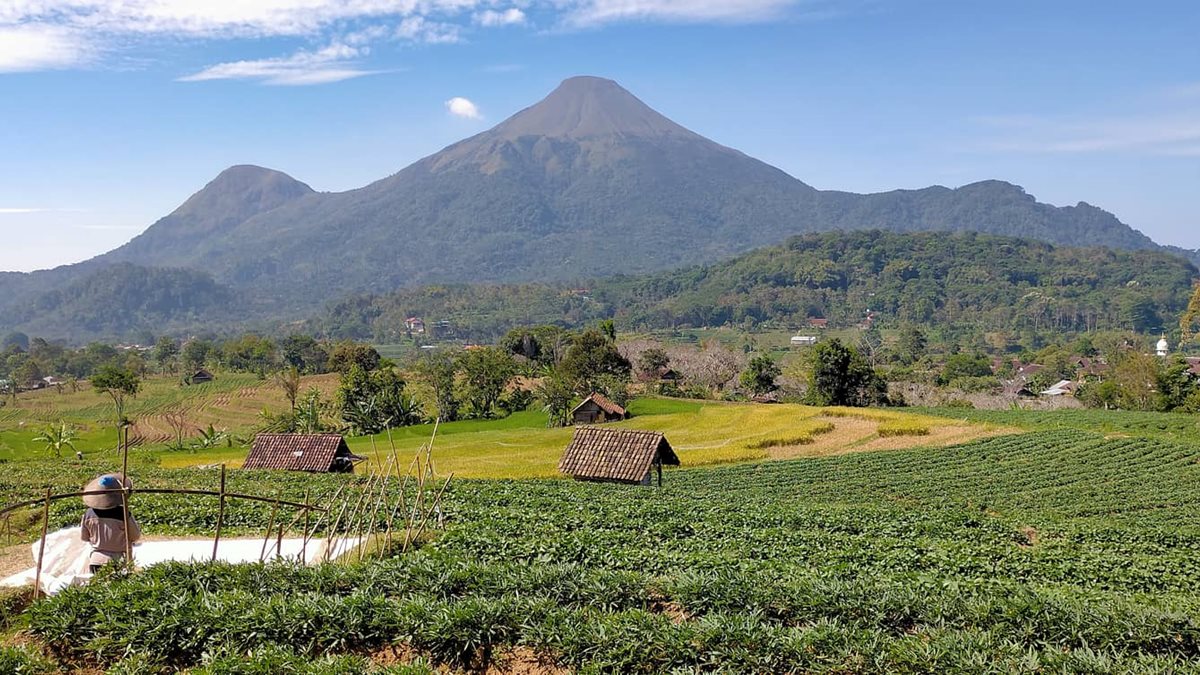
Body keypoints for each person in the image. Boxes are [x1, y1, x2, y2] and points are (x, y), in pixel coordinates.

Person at [80, 473, 142, 574]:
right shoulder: (123, 514)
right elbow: (135, 536)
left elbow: (84, 537)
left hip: (95, 561)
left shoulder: (89, 514)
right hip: (118, 561)